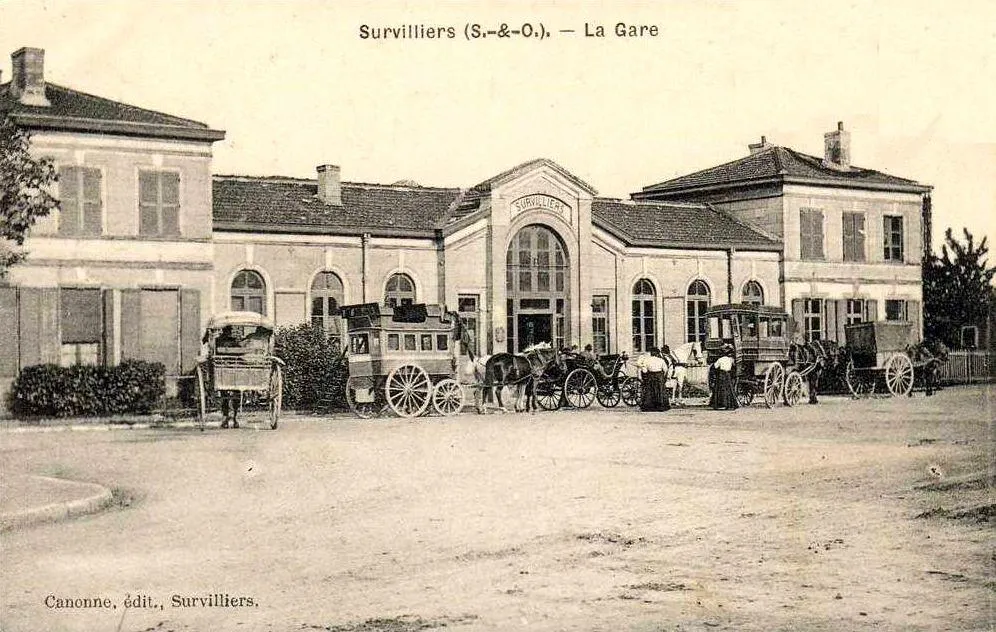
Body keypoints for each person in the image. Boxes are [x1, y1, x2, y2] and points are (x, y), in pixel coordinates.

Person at [638, 348, 670, 412]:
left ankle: (649, 406)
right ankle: (660, 406)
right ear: (657, 354)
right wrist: (663, 377)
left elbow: (644, 371)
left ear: (651, 353)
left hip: (650, 376)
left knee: (649, 391)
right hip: (659, 376)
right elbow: (666, 370)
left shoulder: (646, 360)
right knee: (660, 390)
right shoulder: (661, 360)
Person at [709, 344, 739, 410]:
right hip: (728, 375)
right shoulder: (731, 360)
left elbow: (715, 367)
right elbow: (733, 367)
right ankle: (729, 405)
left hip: (721, 375)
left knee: (719, 389)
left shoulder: (720, 359)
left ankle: (718, 405)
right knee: (729, 389)